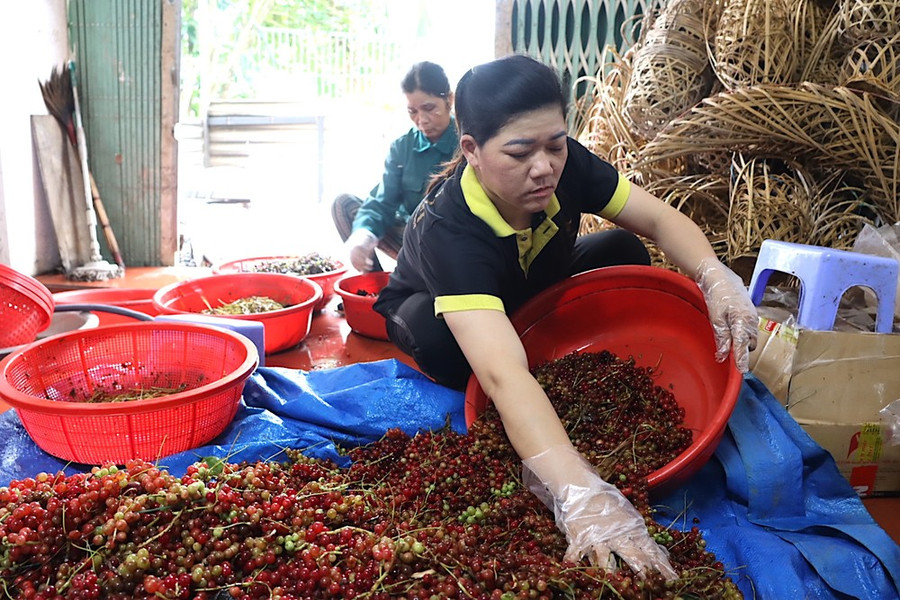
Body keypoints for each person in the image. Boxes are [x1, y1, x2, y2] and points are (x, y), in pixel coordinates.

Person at [373, 55, 758, 579]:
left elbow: (658, 218)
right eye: (519, 152)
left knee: (622, 246)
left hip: (525, 281)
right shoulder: (450, 229)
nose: (544, 167)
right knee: (444, 346)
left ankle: (530, 332)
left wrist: (715, 275)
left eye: (555, 144)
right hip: (443, 304)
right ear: (472, 151)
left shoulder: (564, 165)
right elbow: (503, 375)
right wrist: (578, 489)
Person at [332, 61, 459, 272]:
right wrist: (364, 236)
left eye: (429, 108)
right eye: (413, 111)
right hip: (412, 238)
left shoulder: (467, 141)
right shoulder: (403, 147)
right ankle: (376, 286)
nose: (422, 120)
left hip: (456, 244)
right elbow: (383, 201)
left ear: (449, 100)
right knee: (344, 206)